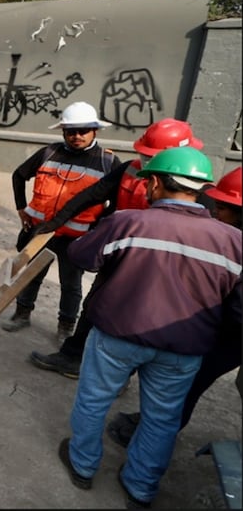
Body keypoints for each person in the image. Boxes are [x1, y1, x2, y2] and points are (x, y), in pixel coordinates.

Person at [58, 147, 240, 508]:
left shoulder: (128, 222)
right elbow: (237, 309)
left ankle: (82, 465)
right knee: (163, 419)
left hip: (117, 336)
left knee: (94, 399)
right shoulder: (235, 242)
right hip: (184, 349)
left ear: (155, 182)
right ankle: (140, 486)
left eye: (147, 183)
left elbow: (81, 256)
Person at [28, 118, 206, 377]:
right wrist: (54, 223)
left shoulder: (197, 189)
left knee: (138, 318)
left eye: (154, 156)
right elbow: (91, 195)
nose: (147, 162)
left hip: (160, 267)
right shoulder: (129, 170)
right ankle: (73, 356)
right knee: (95, 304)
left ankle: (120, 375)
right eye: (146, 155)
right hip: (120, 255)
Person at [105, 165, 242, 448]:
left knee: (189, 386)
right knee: (177, 387)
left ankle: (150, 441)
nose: (215, 212)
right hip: (217, 329)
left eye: (222, 208)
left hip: (229, 336)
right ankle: (151, 432)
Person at [2, 101, 122, 336]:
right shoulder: (49, 153)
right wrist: (21, 207)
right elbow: (19, 175)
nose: (77, 136)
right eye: (71, 131)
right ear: (63, 132)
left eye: (83, 131)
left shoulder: (108, 162)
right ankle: (22, 314)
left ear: (95, 131)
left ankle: (65, 327)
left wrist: (97, 228)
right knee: (31, 276)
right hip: (42, 231)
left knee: (70, 284)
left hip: (76, 238)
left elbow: (116, 202)